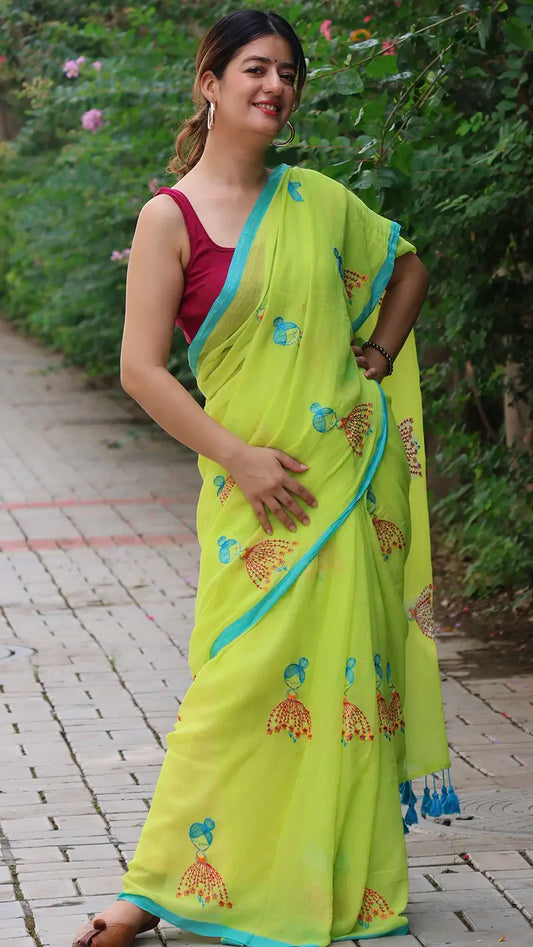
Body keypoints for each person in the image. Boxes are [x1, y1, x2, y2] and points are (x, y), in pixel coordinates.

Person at [73, 9, 456, 947]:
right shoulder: (170, 218)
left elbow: (405, 268)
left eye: (287, 72)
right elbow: (141, 368)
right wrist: (234, 456)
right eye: (254, 69)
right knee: (235, 689)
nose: (273, 87)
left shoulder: (318, 200)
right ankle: (152, 888)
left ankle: (340, 885)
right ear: (208, 81)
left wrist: (374, 350)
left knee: (338, 689)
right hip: (252, 498)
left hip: (341, 486)